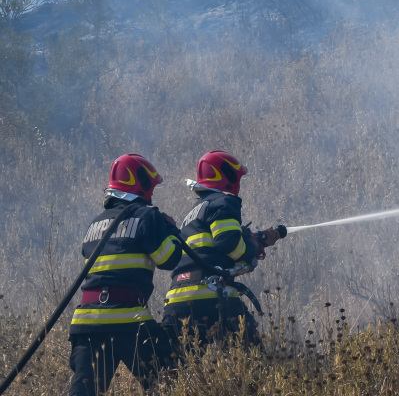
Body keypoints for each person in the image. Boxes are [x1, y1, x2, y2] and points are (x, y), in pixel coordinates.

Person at [68, 153, 184, 396]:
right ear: (142, 186)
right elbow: (168, 259)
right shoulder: (147, 216)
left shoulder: (94, 224)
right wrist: (171, 230)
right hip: (129, 321)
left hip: (87, 325)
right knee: (170, 381)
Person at [161, 150, 277, 345]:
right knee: (252, 363)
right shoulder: (223, 202)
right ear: (227, 176)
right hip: (212, 294)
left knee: (177, 369)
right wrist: (254, 247)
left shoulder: (192, 214)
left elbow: (210, 247)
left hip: (177, 300)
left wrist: (257, 239)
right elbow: (229, 244)